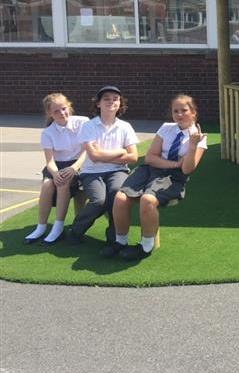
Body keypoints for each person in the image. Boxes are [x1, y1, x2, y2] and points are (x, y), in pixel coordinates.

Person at [103, 94, 207, 260]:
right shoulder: (166, 128)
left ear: (193, 112)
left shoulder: (199, 138)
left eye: (184, 110)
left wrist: (193, 146)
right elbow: (150, 157)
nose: (179, 114)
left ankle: (146, 246)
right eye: (175, 111)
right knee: (121, 198)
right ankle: (120, 241)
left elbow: (187, 169)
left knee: (148, 200)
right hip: (150, 169)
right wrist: (174, 163)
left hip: (173, 178)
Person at [67, 86, 139, 245]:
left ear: (120, 104)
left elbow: (133, 157)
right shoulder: (88, 126)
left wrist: (104, 156)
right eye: (106, 98)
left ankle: (114, 238)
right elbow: (93, 156)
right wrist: (120, 151)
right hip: (91, 172)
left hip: (118, 170)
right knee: (99, 201)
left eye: (115, 99)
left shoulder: (125, 127)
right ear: (98, 103)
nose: (111, 101)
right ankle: (76, 230)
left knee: (116, 196)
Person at [24, 93, 89, 245]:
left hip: (79, 163)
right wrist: (54, 173)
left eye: (63, 108)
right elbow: (50, 161)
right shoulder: (47, 132)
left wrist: (74, 168)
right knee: (47, 184)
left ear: (69, 107)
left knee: (63, 183)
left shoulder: (83, 122)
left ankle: (58, 227)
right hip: (57, 166)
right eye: (56, 111)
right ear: (49, 114)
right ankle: (41, 227)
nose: (61, 113)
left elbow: (87, 150)